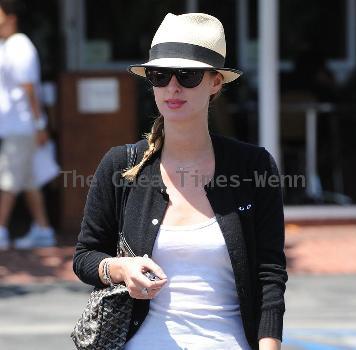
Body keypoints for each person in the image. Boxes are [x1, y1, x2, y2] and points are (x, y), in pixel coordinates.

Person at [73, 13, 287, 350]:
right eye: (160, 75)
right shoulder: (121, 165)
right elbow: (85, 257)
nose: (173, 87)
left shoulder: (253, 166)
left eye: (187, 75)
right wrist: (119, 267)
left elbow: (270, 274)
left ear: (216, 82)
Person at [0, 0, 55, 249]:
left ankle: (0, 230)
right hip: (18, 126)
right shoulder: (8, 45)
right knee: (30, 181)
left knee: (9, 181)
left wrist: (39, 124)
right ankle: (43, 229)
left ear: (10, 17)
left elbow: (29, 89)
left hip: (22, 127)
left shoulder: (19, 45)